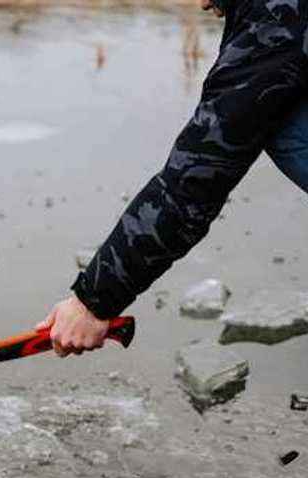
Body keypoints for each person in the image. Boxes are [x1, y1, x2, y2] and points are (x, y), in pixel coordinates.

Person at [37, 0, 308, 357]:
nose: (202, 2)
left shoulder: (277, 17)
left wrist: (92, 302)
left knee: (283, 124)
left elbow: (195, 179)